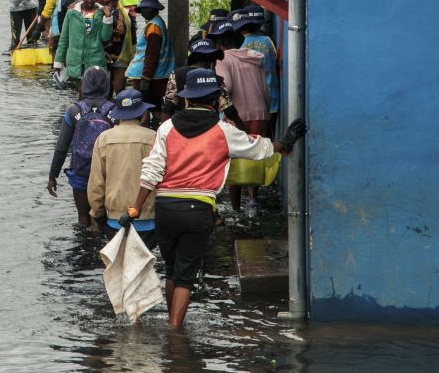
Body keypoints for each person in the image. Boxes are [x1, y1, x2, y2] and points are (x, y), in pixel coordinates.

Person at [127, 68, 307, 331]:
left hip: (164, 207)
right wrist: (285, 141)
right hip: (198, 209)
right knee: (185, 276)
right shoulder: (224, 131)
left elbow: (151, 170)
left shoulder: (166, 128)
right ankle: (175, 336)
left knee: (171, 268)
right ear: (215, 100)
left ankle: (170, 323)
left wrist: (135, 208)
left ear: (186, 99)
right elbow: (259, 149)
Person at [209, 20, 270, 216]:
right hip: (261, 112)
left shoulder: (223, 60)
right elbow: (265, 88)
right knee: (256, 153)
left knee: (233, 158)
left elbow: (227, 88)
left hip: (237, 114)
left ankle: (235, 208)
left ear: (219, 44)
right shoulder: (252, 57)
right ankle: (253, 200)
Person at [87, 89, 157, 248]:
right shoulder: (153, 137)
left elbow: (96, 185)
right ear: (142, 112)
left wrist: (98, 214)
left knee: (120, 268)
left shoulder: (104, 139)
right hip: (148, 222)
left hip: (115, 221)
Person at [47, 66, 115, 226]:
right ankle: (99, 248)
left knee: (83, 218)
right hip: (106, 175)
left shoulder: (73, 111)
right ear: (107, 85)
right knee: (102, 220)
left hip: (81, 173)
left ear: (83, 85)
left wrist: (53, 175)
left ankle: (84, 247)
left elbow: (61, 147)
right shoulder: (114, 110)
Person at [124, 0, 176, 116]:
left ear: (155, 9)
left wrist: (146, 78)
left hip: (150, 75)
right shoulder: (157, 22)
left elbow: (152, 55)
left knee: (152, 106)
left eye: (149, 8)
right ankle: (148, 123)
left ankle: (154, 126)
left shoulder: (153, 27)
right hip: (157, 74)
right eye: (144, 8)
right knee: (151, 105)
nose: (146, 11)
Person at [54, 0, 114, 82]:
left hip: (95, 62)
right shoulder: (72, 13)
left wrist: (108, 18)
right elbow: (64, 39)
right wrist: (58, 62)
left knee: (93, 92)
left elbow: (105, 38)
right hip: (75, 62)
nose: (90, 1)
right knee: (79, 93)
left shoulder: (101, 13)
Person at [233, 6, 280, 129]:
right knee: (269, 136)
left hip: (250, 101)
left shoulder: (239, 43)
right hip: (273, 98)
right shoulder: (269, 41)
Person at [100, 0, 136, 96]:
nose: (109, 1)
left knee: (119, 89)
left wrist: (134, 57)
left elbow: (132, 37)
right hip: (104, 55)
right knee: (106, 91)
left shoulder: (125, 14)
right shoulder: (98, 12)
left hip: (121, 55)